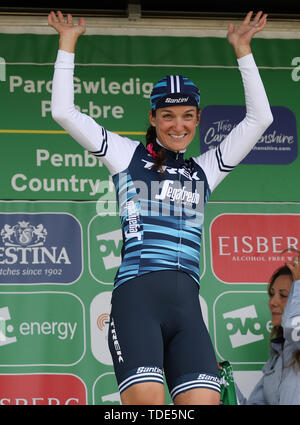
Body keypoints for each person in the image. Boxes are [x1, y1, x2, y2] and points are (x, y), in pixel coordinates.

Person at [48, 10, 273, 405]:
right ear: (152, 117)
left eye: (187, 116)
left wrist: (243, 51)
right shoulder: (125, 156)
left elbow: (260, 119)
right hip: (137, 304)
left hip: (188, 311)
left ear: (199, 119)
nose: (178, 125)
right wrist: (67, 43)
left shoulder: (205, 170)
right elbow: (64, 112)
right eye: (167, 115)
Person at [235, 256, 300, 405]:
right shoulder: (277, 359)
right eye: (272, 294)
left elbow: (295, 331)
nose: (272, 302)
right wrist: (222, 380)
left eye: (284, 295)